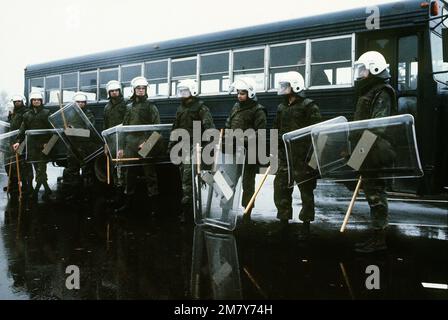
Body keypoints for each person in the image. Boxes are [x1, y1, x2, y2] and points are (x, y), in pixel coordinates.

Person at [352, 51, 397, 253]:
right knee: (372, 193)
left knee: (376, 195)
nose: (360, 73)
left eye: (363, 68)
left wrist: (359, 152)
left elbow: (377, 126)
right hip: (367, 148)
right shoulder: (370, 90)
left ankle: (379, 241)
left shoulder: (382, 92)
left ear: (374, 68)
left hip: (374, 150)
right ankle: (375, 237)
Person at [273, 71, 321, 239]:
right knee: (280, 188)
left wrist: (312, 159)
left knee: (306, 192)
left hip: (303, 157)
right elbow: (277, 129)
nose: (283, 88)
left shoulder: (309, 106)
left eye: (286, 85)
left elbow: (317, 133)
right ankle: (283, 222)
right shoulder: (281, 107)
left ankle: (306, 226)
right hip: (285, 156)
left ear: (295, 86)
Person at [169, 79, 215, 217]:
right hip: (182, 147)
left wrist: (207, 149)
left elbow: (210, 130)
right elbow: (175, 128)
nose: (183, 93)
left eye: (186, 90)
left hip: (195, 148)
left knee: (187, 180)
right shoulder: (180, 108)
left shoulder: (201, 108)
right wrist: (170, 145)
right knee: (185, 177)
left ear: (192, 91)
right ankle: (193, 207)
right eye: (181, 91)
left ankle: (187, 212)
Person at [115, 76, 160, 213]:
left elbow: (157, 128)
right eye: (138, 88)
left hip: (145, 142)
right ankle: (127, 205)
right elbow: (124, 128)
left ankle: (154, 207)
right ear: (133, 90)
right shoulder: (129, 107)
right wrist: (121, 148)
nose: (141, 90)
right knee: (129, 174)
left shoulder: (151, 106)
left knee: (150, 174)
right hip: (130, 143)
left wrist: (147, 143)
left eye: (143, 88)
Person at [225, 77, 267, 218]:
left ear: (250, 93)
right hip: (233, 151)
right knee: (227, 181)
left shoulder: (258, 110)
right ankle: (225, 209)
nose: (239, 96)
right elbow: (228, 124)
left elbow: (260, 132)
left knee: (247, 184)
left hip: (249, 153)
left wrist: (243, 139)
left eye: (242, 93)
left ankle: (247, 212)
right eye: (238, 93)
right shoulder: (235, 107)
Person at [13, 91, 54, 201]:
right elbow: (22, 130)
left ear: (41, 101)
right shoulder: (27, 115)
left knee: (41, 169)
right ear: (31, 101)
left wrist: (48, 144)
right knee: (38, 169)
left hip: (45, 145)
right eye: (34, 100)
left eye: (38, 100)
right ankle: (47, 189)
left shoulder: (47, 113)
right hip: (31, 146)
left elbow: (54, 131)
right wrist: (18, 141)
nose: (36, 101)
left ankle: (35, 192)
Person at [63, 92, 96, 199]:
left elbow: (89, 132)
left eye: (83, 102)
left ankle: (87, 195)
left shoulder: (89, 115)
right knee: (73, 172)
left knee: (87, 172)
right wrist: (66, 129)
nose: (80, 104)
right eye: (78, 102)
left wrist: (73, 131)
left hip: (85, 147)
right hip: (72, 147)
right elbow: (64, 131)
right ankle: (74, 194)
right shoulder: (69, 115)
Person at [103, 80, 127, 202]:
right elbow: (105, 126)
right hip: (111, 141)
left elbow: (128, 124)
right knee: (113, 168)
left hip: (123, 141)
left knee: (122, 168)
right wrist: (105, 144)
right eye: (111, 91)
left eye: (116, 90)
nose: (114, 93)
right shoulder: (107, 107)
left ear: (119, 91)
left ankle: (122, 196)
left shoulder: (126, 104)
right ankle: (116, 194)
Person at [6, 95, 33, 199]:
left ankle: (28, 186)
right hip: (13, 141)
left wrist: (21, 141)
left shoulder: (26, 112)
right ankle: (15, 185)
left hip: (22, 141)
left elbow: (24, 127)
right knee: (12, 164)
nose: (17, 103)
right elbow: (11, 125)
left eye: (19, 101)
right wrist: (10, 116)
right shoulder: (14, 113)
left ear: (23, 101)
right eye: (15, 101)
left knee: (24, 165)